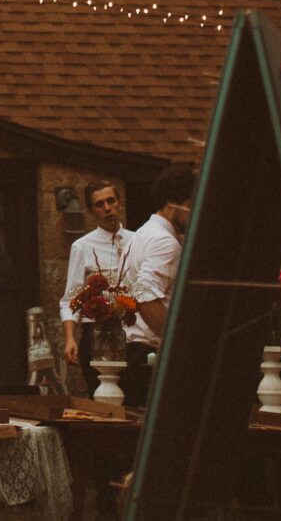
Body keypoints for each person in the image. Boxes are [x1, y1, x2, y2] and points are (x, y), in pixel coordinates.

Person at [61, 177, 141, 389]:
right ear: (90, 211)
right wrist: (70, 338)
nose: (107, 208)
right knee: (102, 399)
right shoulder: (82, 246)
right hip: (97, 334)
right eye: (99, 204)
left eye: (110, 201)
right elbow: (71, 299)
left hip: (132, 335)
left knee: (133, 397)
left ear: (119, 202)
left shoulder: (138, 241)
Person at [127, 163, 195, 405]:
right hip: (152, 354)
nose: (193, 212)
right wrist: (177, 346)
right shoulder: (164, 242)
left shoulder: (142, 234)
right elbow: (144, 297)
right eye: (190, 205)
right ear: (171, 203)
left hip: (137, 351)